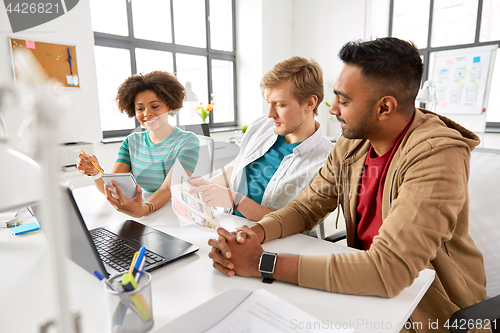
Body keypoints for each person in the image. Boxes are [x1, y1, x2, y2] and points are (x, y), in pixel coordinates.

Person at [208, 38, 488, 332]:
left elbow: (387, 270)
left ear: (384, 108)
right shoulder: (353, 144)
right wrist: (252, 235)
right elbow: (306, 207)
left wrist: (263, 263)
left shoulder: (436, 155)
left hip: (428, 311)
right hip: (366, 293)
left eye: (344, 100)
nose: (333, 109)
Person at [188, 56, 333, 222]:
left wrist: (237, 201)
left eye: (280, 104)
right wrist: (209, 186)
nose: (270, 114)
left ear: (309, 103)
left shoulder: (327, 162)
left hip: (277, 244)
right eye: (268, 103)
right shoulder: (261, 125)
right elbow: (237, 167)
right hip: (231, 227)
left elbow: (293, 223)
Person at [77, 71, 200, 218]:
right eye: (140, 108)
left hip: (175, 211)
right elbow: (113, 187)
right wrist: (95, 172)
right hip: (143, 210)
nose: (147, 113)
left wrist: (144, 209)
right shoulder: (131, 142)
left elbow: (168, 188)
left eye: (155, 106)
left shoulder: (188, 141)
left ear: (169, 106)